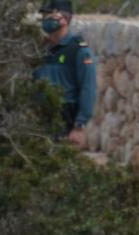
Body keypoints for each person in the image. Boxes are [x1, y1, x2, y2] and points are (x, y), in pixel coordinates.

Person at [33, 2, 97, 147]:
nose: (44, 20)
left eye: (48, 16)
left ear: (63, 18)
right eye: (43, 16)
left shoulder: (78, 50)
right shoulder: (39, 49)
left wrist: (79, 126)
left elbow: (88, 87)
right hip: (38, 116)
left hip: (64, 117)